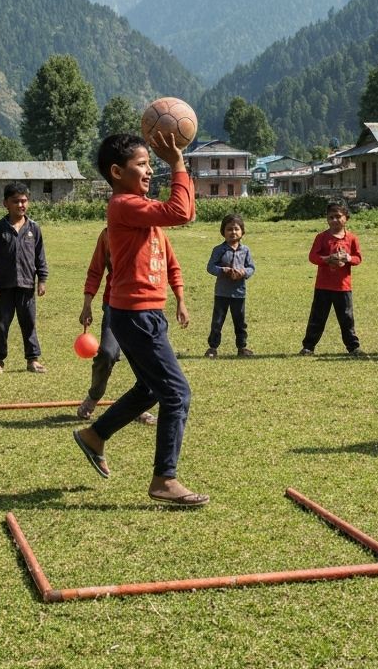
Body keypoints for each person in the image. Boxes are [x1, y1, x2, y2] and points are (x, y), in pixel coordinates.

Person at [72, 131, 208, 507]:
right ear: (117, 172)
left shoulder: (137, 205)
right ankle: (165, 479)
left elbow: (186, 211)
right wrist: (177, 163)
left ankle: (94, 436)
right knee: (177, 393)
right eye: (142, 165)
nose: (150, 171)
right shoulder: (123, 205)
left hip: (142, 313)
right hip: (135, 314)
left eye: (151, 164)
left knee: (150, 389)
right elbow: (180, 212)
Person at [77, 227, 190, 425]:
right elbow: (96, 270)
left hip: (148, 310)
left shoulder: (158, 235)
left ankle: (138, 408)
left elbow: (172, 267)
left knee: (146, 365)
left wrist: (180, 300)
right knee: (107, 353)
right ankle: (94, 395)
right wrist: (87, 304)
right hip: (116, 307)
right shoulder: (108, 234)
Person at [0, 182, 48, 374]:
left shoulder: (34, 229)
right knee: (1, 324)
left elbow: (40, 256)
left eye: (24, 201)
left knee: (28, 323)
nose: (21, 205)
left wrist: (42, 279)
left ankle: (33, 360)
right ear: (6, 203)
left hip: (27, 285)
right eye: (16, 201)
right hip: (3, 287)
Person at [299, 201, 363, 356]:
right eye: (331, 217)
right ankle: (308, 346)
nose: (334, 220)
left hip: (343, 286)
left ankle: (353, 347)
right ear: (327, 219)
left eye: (338, 216)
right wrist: (327, 259)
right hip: (323, 285)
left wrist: (347, 258)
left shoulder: (352, 238)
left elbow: (358, 258)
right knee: (317, 317)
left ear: (346, 218)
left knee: (346, 318)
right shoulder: (321, 237)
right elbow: (313, 257)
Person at [204, 213, 256, 358]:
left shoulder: (245, 250)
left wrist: (243, 272)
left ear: (242, 232)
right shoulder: (219, 250)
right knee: (218, 321)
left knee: (240, 322)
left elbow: (251, 267)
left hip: (239, 293)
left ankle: (242, 347)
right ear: (223, 232)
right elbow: (210, 267)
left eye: (236, 229)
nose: (233, 232)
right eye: (229, 229)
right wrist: (223, 270)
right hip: (222, 293)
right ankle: (213, 348)